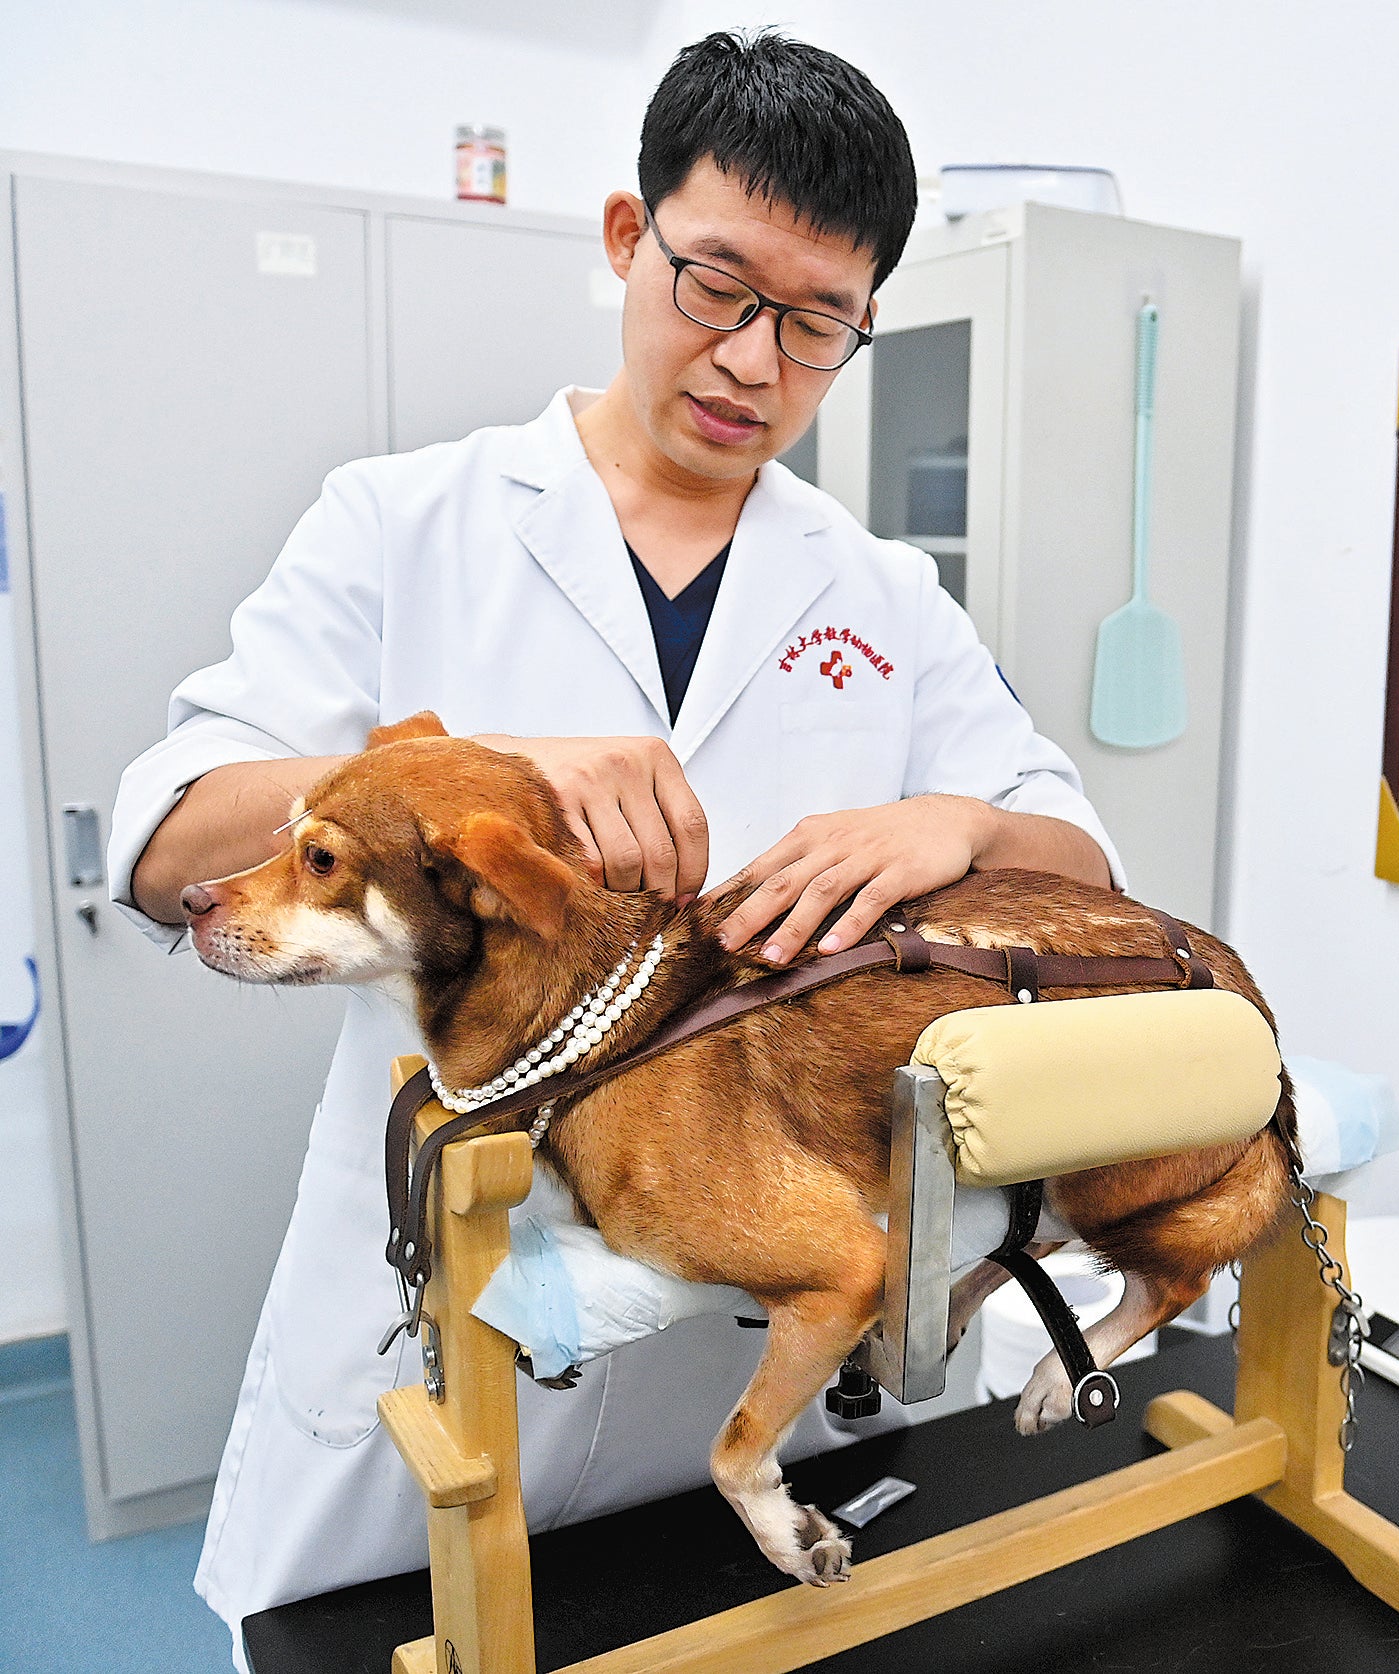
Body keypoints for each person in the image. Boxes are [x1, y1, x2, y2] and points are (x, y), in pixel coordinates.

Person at [107, 32, 1120, 1664]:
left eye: (816, 324)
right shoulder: (403, 519)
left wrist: (968, 818)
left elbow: (1085, 882)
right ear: (621, 237)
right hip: (453, 1330)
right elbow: (164, 837)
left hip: (782, 1359)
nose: (752, 360)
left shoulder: (882, 595)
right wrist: (467, 776)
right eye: (717, 285)